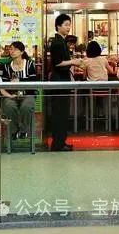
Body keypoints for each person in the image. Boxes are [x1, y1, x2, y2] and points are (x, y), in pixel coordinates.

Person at [49, 14, 83, 151]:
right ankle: (58, 143)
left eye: (69, 25)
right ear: (58, 26)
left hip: (61, 79)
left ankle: (60, 142)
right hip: (59, 80)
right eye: (66, 25)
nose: (68, 27)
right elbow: (58, 63)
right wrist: (74, 61)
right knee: (60, 113)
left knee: (62, 112)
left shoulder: (61, 41)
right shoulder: (58, 43)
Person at [1, 42, 37, 140]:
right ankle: (14, 130)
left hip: (27, 94)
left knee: (27, 107)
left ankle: (24, 130)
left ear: (22, 52)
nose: (12, 51)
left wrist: (19, 81)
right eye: (11, 49)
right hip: (11, 95)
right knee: (9, 106)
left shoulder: (29, 64)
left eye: (15, 49)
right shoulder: (6, 66)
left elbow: (33, 81)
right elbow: (3, 83)